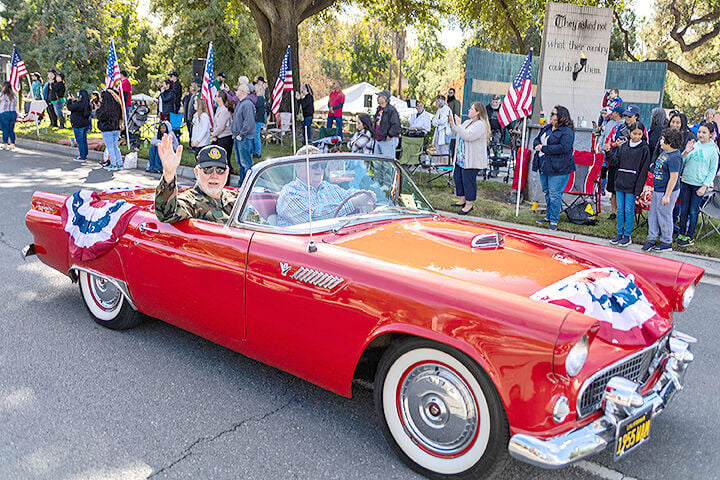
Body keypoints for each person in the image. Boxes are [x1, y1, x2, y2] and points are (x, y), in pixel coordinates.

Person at [155, 140, 238, 224]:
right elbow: (166, 215)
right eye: (208, 170)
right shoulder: (191, 202)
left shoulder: (235, 197)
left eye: (220, 170)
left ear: (227, 173)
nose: (214, 175)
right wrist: (169, 174)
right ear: (196, 172)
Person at [276, 158, 376, 227]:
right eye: (314, 165)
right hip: (301, 249)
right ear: (299, 167)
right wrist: (353, 203)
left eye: (322, 165)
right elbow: (312, 220)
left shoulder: (328, 187)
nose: (319, 169)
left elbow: (348, 194)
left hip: (334, 241)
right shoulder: (290, 192)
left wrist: (367, 195)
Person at [606, 122, 651, 246]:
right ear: (629, 133)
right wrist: (608, 152)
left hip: (632, 186)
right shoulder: (624, 146)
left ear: (643, 134)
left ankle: (627, 235)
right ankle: (619, 233)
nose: (636, 136)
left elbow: (643, 171)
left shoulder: (644, 149)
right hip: (620, 183)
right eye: (634, 133)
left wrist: (638, 188)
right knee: (620, 210)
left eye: (639, 134)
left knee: (629, 210)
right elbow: (615, 162)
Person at [532, 105, 576, 231]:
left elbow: (564, 148)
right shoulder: (547, 128)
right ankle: (548, 216)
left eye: (553, 114)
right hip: (544, 165)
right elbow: (536, 140)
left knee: (555, 194)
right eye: (551, 113)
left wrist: (543, 148)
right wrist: (538, 145)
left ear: (561, 117)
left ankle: (554, 220)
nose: (550, 116)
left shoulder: (567, 131)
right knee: (547, 192)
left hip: (559, 167)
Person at [676, 122, 719, 246]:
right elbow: (682, 161)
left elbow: (712, 170)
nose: (700, 134)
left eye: (704, 132)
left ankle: (689, 236)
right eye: (699, 132)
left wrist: (704, 186)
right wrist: (686, 152)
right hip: (686, 181)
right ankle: (681, 233)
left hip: (699, 185)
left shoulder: (713, 150)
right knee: (683, 210)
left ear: (711, 134)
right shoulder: (693, 145)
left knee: (693, 211)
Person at [643, 128, 683, 252]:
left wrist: (667, 196)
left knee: (664, 215)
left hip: (667, 191)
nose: (660, 141)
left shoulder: (675, 157)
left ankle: (666, 242)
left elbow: (674, 177)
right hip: (658, 190)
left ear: (670, 143)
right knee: (653, 214)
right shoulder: (665, 153)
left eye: (663, 140)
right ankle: (652, 238)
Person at [604, 105, 647, 221]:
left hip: (632, 165)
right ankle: (614, 212)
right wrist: (615, 145)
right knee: (613, 188)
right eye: (625, 115)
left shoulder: (641, 129)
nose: (626, 118)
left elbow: (644, 146)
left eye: (629, 116)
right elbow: (608, 142)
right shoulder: (619, 127)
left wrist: (630, 143)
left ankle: (625, 215)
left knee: (628, 193)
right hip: (616, 159)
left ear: (636, 116)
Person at [448, 102, 491, 215]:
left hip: (471, 160)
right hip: (461, 158)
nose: (469, 111)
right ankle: (462, 200)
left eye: (472, 109)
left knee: (468, 182)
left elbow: (468, 136)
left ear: (478, 112)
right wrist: (452, 124)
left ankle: (469, 204)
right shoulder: (467, 122)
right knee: (458, 179)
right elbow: (458, 132)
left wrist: (458, 124)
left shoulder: (480, 125)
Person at [231, 82, 256, 183]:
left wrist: (241, 134)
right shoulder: (241, 103)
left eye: (237, 90)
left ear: (242, 92)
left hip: (244, 138)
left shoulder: (247, 104)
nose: (236, 91)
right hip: (237, 137)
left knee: (246, 162)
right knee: (240, 162)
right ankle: (241, 182)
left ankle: (248, 184)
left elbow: (248, 121)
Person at [96, 89, 124, 171]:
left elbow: (100, 116)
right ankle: (119, 163)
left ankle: (113, 164)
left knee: (110, 147)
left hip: (107, 129)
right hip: (116, 128)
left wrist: (98, 109)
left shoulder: (104, 107)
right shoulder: (117, 104)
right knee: (115, 146)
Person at [211, 90, 235, 174]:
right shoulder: (219, 109)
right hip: (219, 137)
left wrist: (213, 134)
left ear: (220, 98)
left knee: (225, 160)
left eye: (216, 96)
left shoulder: (224, 111)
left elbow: (221, 126)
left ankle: (227, 178)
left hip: (225, 138)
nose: (214, 98)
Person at [400, 100, 430, 165]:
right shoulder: (414, 115)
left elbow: (427, 128)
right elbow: (410, 125)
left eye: (421, 106)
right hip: (411, 134)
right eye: (418, 106)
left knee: (413, 146)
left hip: (419, 135)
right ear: (416, 107)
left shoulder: (426, 116)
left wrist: (416, 128)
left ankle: (412, 160)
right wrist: (407, 123)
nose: (419, 108)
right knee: (403, 142)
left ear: (423, 107)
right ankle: (405, 159)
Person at [373, 90, 401, 157]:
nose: (378, 98)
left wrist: (390, 135)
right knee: (377, 162)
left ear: (384, 98)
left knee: (387, 162)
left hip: (387, 140)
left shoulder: (391, 110)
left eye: (379, 96)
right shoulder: (379, 109)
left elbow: (396, 124)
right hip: (379, 139)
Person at [66, 90, 92, 162]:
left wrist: (69, 100)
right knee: (84, 140)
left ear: (81, 96)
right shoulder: (87, 104)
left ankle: (82, 156)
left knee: (79, 141)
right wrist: (74, 100)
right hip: (85, 124)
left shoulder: (79, 104)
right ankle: (85, 155)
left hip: (78, 125)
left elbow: (70, 107)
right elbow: (76, 107)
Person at [0, 82, 18, 150]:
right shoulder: (13, 95)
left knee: (5, 130)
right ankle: (12, 144)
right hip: (13, 113)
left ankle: (5, 144)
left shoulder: (2, 95)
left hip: (4, 113)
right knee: (11, 130)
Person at [253, 82, 266, 158]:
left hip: (258, 119)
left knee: (256, 136)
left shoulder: (260, 98)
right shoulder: (257, 97)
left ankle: (258, 153)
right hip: (256, 119)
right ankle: (255, 151)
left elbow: (256, 105)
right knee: (255, 136)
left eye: (256, 87)